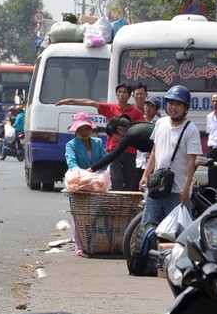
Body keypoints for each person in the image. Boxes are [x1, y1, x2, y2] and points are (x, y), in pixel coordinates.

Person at [56, 83, 145, 191]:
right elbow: (90, 102)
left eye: (124, 92)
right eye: (119, 92)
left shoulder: (136, 112)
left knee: (130, 180)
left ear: (130, 95)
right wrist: (69, 100)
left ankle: (126, 206)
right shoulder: (110, 108)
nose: (122, 95)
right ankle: (116, 205)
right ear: (116, 94)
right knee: (116, 179)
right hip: (114, 149)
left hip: (130, 150)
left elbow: (142, 128)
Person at [139, 85, 202, 225]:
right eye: (170, 103)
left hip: (177, 191)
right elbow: (155, 151)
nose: (173, 107)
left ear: (186, 107)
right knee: (147, 226)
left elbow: (191, 162)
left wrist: (186, 190)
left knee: (177, 233)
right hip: (156, 187)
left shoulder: (191, 130)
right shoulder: (160, 123)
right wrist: (145, 175)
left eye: (178, 104)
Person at [64, 112, 107, 256]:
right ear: (76, 130)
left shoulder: (98, 142)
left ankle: (95, 243)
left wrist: (97, 174)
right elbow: (71, 162)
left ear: (91, 128)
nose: (83, 131)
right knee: (78, 215)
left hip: (96, 183)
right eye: (80, 129)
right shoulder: (71, 145)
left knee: (96, 214)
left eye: (86, 128)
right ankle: (79, 245)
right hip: (79, 183)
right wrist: (83, 175)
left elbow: (104, 160)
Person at [89, 115, 154, 175]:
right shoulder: (136, 127)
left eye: (113, 135)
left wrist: (90, 170)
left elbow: (111, 157)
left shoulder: (129, 135)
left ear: (119, 129)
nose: (114, 139)